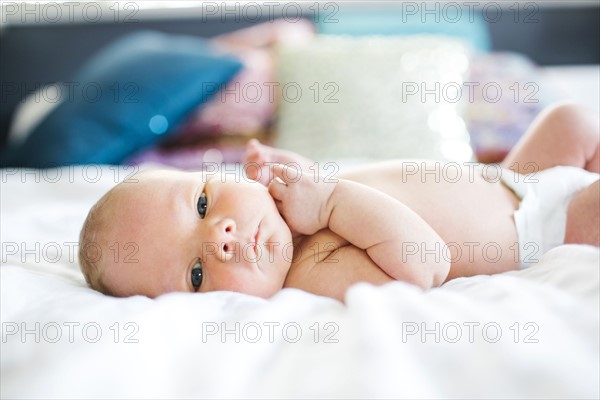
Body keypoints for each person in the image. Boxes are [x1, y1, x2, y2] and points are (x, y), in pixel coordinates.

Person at [78, 103, 600, 301]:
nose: (221, 237)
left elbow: (336, 189)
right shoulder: (311, 271)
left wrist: (295, 169)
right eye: (196, 273)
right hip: (540, 229)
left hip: (508, 182)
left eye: (201, 207)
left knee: (570, 120)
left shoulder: (284, 206)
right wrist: (328, 202)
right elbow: (427, 263)